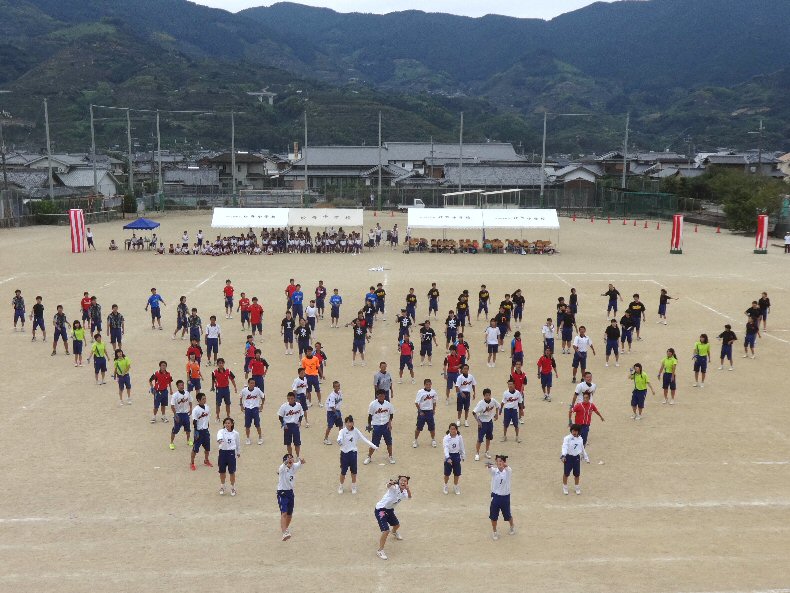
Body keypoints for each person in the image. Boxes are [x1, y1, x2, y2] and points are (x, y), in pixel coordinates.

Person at [374, 475, 412, 560]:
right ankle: (380, 550)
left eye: (405, 481)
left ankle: (394, 532)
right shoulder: (394, 487)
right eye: (401, 480)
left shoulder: (405, 491)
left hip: (390, 510)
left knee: (397, 525)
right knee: (386, 530)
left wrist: (408, 489)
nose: (403, 482)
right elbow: (388, 485)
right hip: (381, 510)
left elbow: (409, 497)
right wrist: (390, 483)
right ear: (398, 481)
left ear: (407, 483)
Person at [337, 415, 377, 494]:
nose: (349, 424)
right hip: (344, 454)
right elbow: (339, 437)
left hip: (353, 454)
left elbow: (364, 438)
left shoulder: (356, 431)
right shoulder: (342, 431)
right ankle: (341, 486)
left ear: (353, 423)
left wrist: (373, 446)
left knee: (354, 471)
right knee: (343, 471)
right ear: (345, 423)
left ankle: (354, 486)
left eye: (350, 422)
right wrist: (339, 440)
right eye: (347, 422)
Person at [277, 453, 305, 541]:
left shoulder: (294, 466)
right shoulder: (282, 469)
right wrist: (286, 462)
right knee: (284, 513)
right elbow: (280, 468)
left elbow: (301, 462)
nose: (291, 461)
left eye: (291, 459)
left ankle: (286, 528)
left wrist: (301, 460)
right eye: (289, 459)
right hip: (282, 493)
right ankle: (284, 532)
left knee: (289, 514)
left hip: (290, 493)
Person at [486, 454, 515, 540]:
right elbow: (490, 469)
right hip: (495, 497)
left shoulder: (508, 471)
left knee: (508, 515)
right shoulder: (494, 471)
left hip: (505, 497)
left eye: (501, 461)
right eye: (498, 461)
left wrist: (505, 465)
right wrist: (489, 466)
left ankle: (512, 526)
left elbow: (509, 469)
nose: (499, 463)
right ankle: (494, 531)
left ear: (504, 462)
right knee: (493, 516)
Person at [364, 390, 396, 465]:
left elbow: (391, 414)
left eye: (383, 395)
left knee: (389, 442)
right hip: (376, 426)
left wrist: (389, 423)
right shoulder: (373, 404)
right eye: (380, 396)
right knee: (374, 443)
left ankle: (390, 456)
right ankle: (369, 457)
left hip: (386, 426)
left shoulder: (388, 404)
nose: (382, 397)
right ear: (377, 396)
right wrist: (369, 425)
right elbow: (370, 416)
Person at [561, 424, 589, 495]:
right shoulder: (567, 438)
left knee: (577, 474)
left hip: (576, 458)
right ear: (571, 431)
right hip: (568, 457)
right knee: (566, 473)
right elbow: (565, 446)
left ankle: (577, 488)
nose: (574, 432)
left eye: (576, 431)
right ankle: (565, 487)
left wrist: (586, 457)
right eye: (573, 431)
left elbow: (582, 448)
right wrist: (563, 455)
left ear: (578, 432)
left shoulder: (580, 439)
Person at [472, 389, 499, 461]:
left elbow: (498, 406)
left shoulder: (493, 401)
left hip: (489, 422)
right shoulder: (481, 403)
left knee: (488, 437)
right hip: (482, 422)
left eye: (489, 395)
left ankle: (487, 452)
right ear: (484, 396)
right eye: (486, 395)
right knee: (480, 439)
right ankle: (477, 453)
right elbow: (474, 412)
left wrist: (496, 414)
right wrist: (478, 422)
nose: (488, 396)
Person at [216, 417, 240, 496]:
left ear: (232, 424)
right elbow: (219, 437)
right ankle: (222, 486)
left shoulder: (235, 433)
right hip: (222, 452)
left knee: (232, 472)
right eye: (226, 423)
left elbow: (237, 443)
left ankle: (232, 488)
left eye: (229, 423)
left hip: (231, 453)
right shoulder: (221, 431)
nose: (227, 424)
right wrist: (220, 440)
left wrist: (238, 452)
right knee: (222, 471)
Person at [190, 392, 213, 471]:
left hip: (205, 431)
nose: (205, 400)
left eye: (205, 398)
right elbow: (194, 421)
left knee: (207, 448)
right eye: (203, 399)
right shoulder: (195, 410)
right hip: (199, 431)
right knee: (195, 449)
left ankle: (206, 460)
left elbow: (207, 419)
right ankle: (192, 463)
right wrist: (196, 432)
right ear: (198, 400)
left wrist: (207, 428)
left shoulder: (207, 407)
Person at [278, 391, 304, 457]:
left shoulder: (298, 405)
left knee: (297, 443)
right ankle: (290, 456)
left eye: (291, 398)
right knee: (288, 443)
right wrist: (284, 424)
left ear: (294, 398)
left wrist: (299, 421)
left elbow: (301, 414)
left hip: (295, 425)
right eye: (288, 398)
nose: (290, 400)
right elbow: (280, 416)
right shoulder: (284, 406)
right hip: (287, 426)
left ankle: (298, 456)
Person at [413, 378, 438, 448]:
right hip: (422, 412)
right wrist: (420, 411)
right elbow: (416, 402)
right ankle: (415, 440)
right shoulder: (420, 392)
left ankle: (433, 440)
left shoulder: (433, 392)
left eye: (429, 384)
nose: (428, 386)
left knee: (432, 427)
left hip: (429, 412)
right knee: (419, 427)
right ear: (424, 385)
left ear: (431, 384)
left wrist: (433, 410)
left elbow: (434, 401)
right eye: (427, 384)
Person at [239, 377, 264, 445]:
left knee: (257, 424)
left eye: (253, 383)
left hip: (255, 408)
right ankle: (247, 438)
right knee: (247, 425)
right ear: (248, 383)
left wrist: (261, 405)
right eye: (251, 383)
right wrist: (241, 405)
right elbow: (240, 397)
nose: (252, 384)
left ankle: (260, 437)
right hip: (247, 409)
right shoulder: (244, 390)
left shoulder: (257, 390)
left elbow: (263, 396)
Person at [442, 423, 466, 495]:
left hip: (456, 456)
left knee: (457, 473)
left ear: (456, 430)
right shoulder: (446, 438)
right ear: (449, 429)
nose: (453, 430)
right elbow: (445, 448)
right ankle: (445, 485)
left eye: (454, 429)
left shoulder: (459, 437)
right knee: (447, 473)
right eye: (451, 429)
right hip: (449, 455)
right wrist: (448, 457)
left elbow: (462, 447)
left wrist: (463, 455)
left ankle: (455, 486)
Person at [169, 380, 193, 449]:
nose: (181, 386)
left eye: (182, 385)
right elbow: (172, 406)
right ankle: (171, 442)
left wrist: (191, 409)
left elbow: (190, 401)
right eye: (180, 385)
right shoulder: (175, 395)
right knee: (175, 429)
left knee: (188, 429)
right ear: (177, 386)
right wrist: (175, 414)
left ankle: (188, 440)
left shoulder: (187, 393)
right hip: (178, 414)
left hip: (185, 414)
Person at [323, 380, 343, 444]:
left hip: (337, 410)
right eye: (336, 386)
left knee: (340, 425)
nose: (338, 387)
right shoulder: (332, 395)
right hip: (331, 412)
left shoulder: (340, 393)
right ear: (333, 387)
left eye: (339, 386)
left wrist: (338, 411)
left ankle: (340, 438)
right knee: (330, 426)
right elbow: (331, 406)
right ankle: (325, 439)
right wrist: (336, 413)